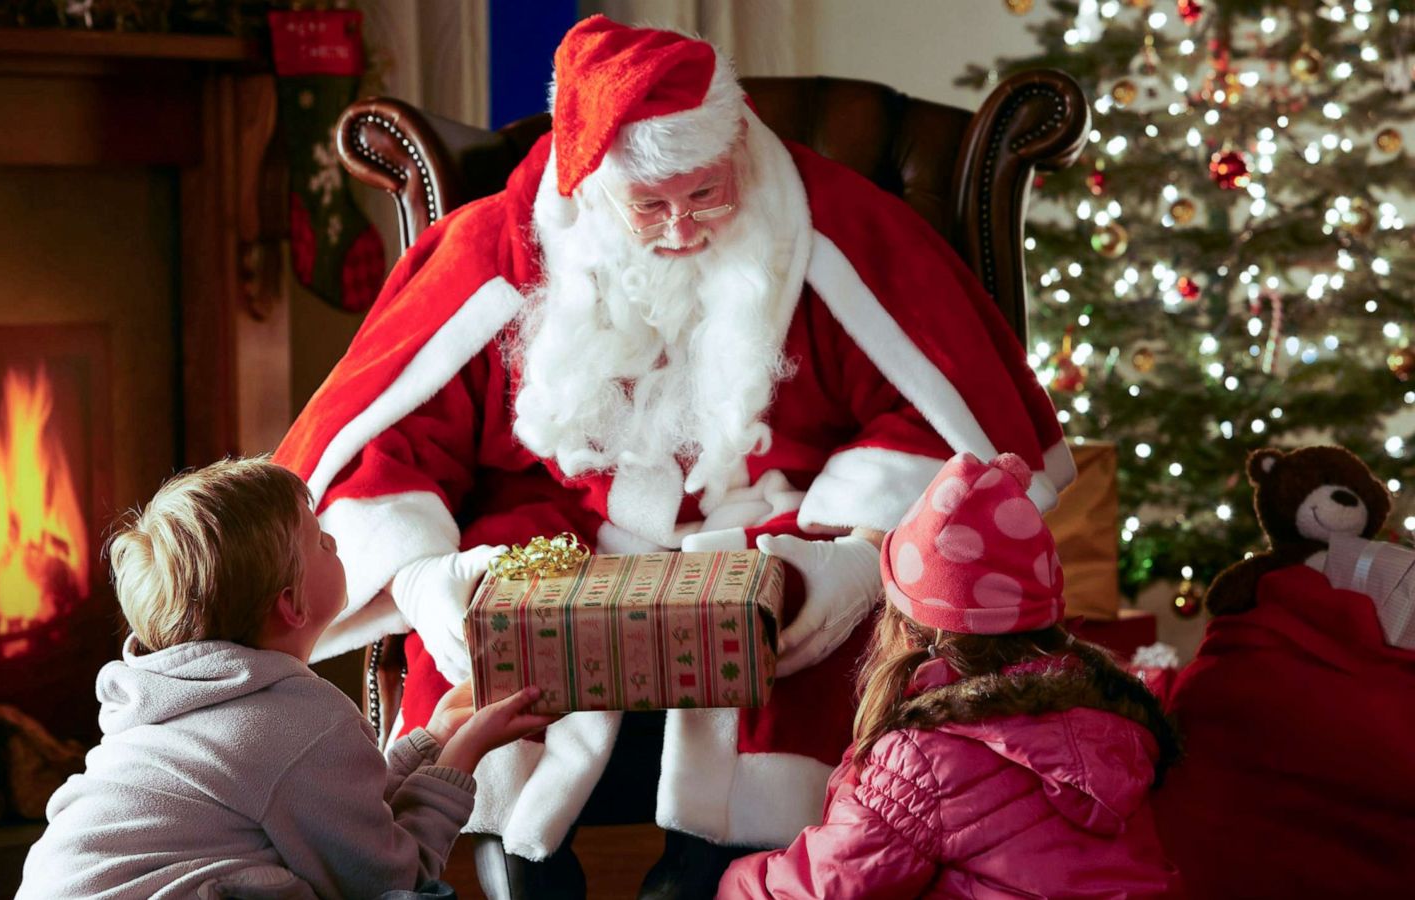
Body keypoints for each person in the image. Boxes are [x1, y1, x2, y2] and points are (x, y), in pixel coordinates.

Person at [277, 16, 1072, 899]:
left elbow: (936, 429)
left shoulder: (830, 229)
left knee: (817, 665)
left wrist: (838, 554)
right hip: (552, 542)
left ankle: (721, 880)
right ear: (592, 192)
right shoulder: (502, 249)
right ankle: (519, 874)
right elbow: (381, 444)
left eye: (706, 195)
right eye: (650, 206)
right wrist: (435, 579)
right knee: (479, 689)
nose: (683, 228)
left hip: (769, 530)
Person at [15, 458, 553, 900]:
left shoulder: (174, 703)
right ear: (291, 605)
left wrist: (432, 741)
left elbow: (328, 810)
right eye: (319, 539)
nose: (336, 545)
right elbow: (391, 880)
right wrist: (465, 756)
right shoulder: (300, 722)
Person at [717, 452, 1183, 898]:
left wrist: (732, 880)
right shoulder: (1114, 714)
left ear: (912, 629)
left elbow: (825, 888)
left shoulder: (926, 759)